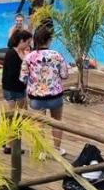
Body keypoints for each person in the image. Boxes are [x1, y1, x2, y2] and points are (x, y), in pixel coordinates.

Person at [20, 25, 70, 155]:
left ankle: (41, 151)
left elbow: (23, 78)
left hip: (37, 97)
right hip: (55, 95)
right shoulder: (57, 55)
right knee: (57, 122)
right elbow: (65, 75)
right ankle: (57, 149)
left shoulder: (29, 57)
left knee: (39, 124)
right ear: (49, 40)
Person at [1, 29, 32, 114]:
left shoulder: (23, 52)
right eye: (28, 42)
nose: (29, 45)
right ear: (22, 41)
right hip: (11, 89)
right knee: (14, 115)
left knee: (24, 113)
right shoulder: (11, 53)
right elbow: (13, 73)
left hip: (20, 88)